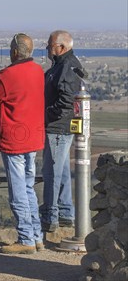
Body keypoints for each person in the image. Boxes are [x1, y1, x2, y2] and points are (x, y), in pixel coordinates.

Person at [0, 33, 45, 254]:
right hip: (34, 137)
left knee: (17, 191)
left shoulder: (6, 76)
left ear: (15, 51)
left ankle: (26, 239)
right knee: (28, 188)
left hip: (14, 139)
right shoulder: (38, 71)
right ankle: (37, 236)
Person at [40, 30, 87, 232]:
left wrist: (47, 115)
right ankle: (66, 212)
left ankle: (51, 215)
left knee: (52, 171)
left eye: (50, 45)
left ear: (61, 47)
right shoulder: (62, 65)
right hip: (59, 126)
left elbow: (67, 100)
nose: (47, 49)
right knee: (62, 170)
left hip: (58, 127)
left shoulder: (67, 67)